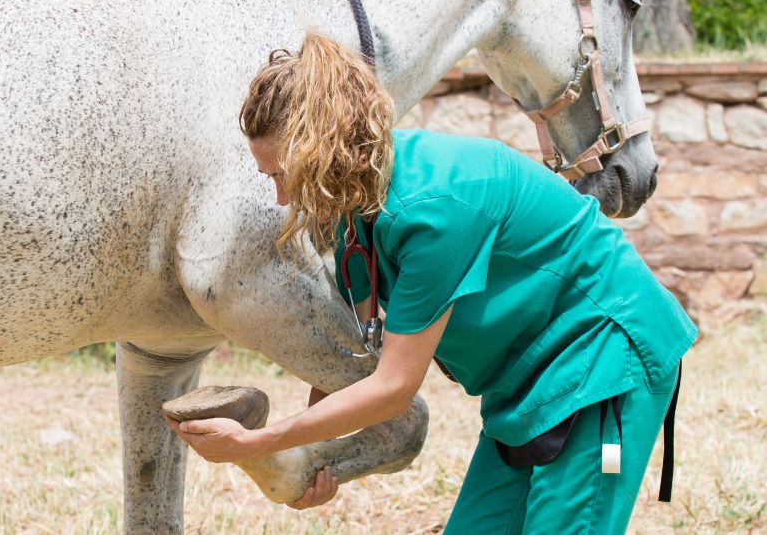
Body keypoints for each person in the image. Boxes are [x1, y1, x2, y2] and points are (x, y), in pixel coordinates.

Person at [167, 31, 697, 533]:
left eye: (284, 175)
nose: (282, 198)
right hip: (524, 388)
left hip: (606, 361)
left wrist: (261, 442)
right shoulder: (357, 203)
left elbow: (394, 387)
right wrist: (318, 458)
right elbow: (359, 348)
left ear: (320, 154)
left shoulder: (435, 208)